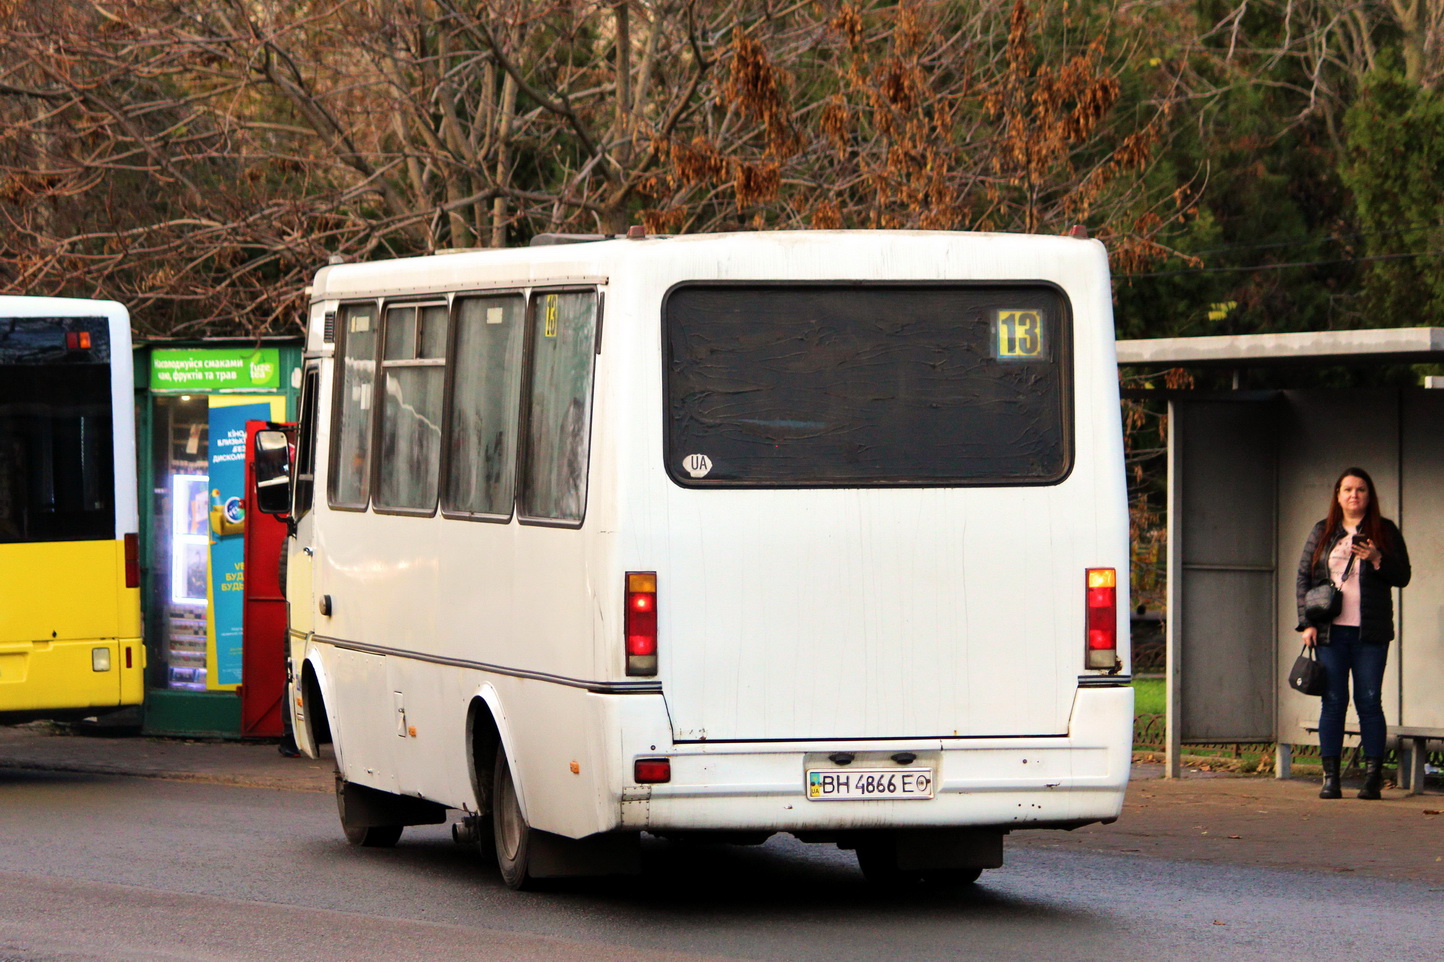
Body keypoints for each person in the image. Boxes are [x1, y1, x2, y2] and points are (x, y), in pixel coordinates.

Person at [1295, 467, 1410, 800]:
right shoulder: (1323, 531)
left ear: (1369, 496)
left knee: (1369, 702)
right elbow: (1303, 579)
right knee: (1332, 702)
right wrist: (1307, 624)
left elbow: (1402, 575)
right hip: (1330, 633)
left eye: (1360, 490)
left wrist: (1377, 558)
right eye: (1347, 489)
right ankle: (1331, 778)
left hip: (1370, 634)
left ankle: (1373, 779)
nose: (1354, 495)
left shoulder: (1384, 531)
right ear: (1337, 495)